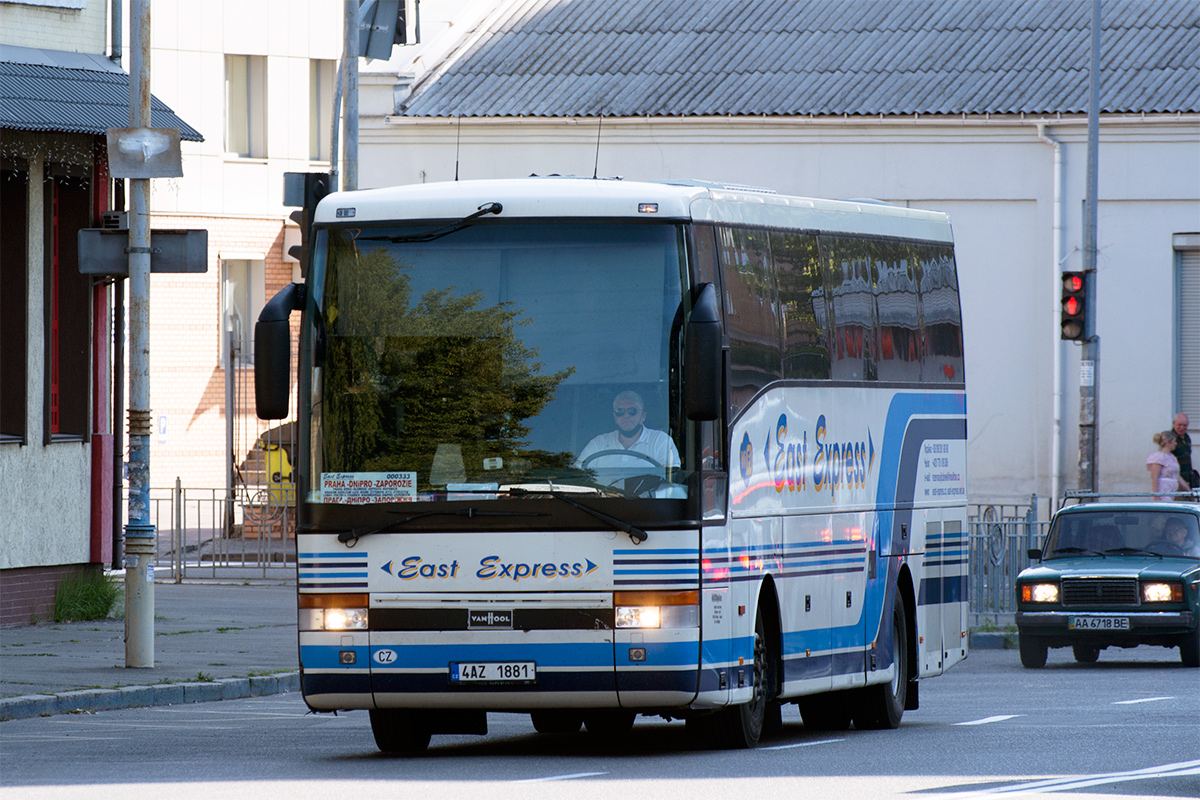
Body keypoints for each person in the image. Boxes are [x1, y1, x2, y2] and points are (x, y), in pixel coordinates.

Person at [576, 390, 681, 475]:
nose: (626, 416)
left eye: (632, 411)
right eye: (620, 411)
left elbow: (671, 476)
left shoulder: (660, 440)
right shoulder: (599, 443)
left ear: (643, 416)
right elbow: (577, 474)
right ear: (615, 417)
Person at [1146, 429, 1188, 501]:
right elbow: (1154, 477)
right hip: (1163, 493)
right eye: (1174, 441)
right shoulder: (1158, 457)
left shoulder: (1172, 457)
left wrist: (1188, 489)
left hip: (1172, 492)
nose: (1175, 443)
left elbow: (1177, 476)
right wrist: (1156, 496)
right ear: (1168, 443)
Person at [1171, 413, 1197, 490]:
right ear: (1174, 423)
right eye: (1179, 425)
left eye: (1185, 425)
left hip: (1187, 477)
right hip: (1176, 479)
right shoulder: (1170, 438)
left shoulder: (1187, 438)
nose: (1182, 428)